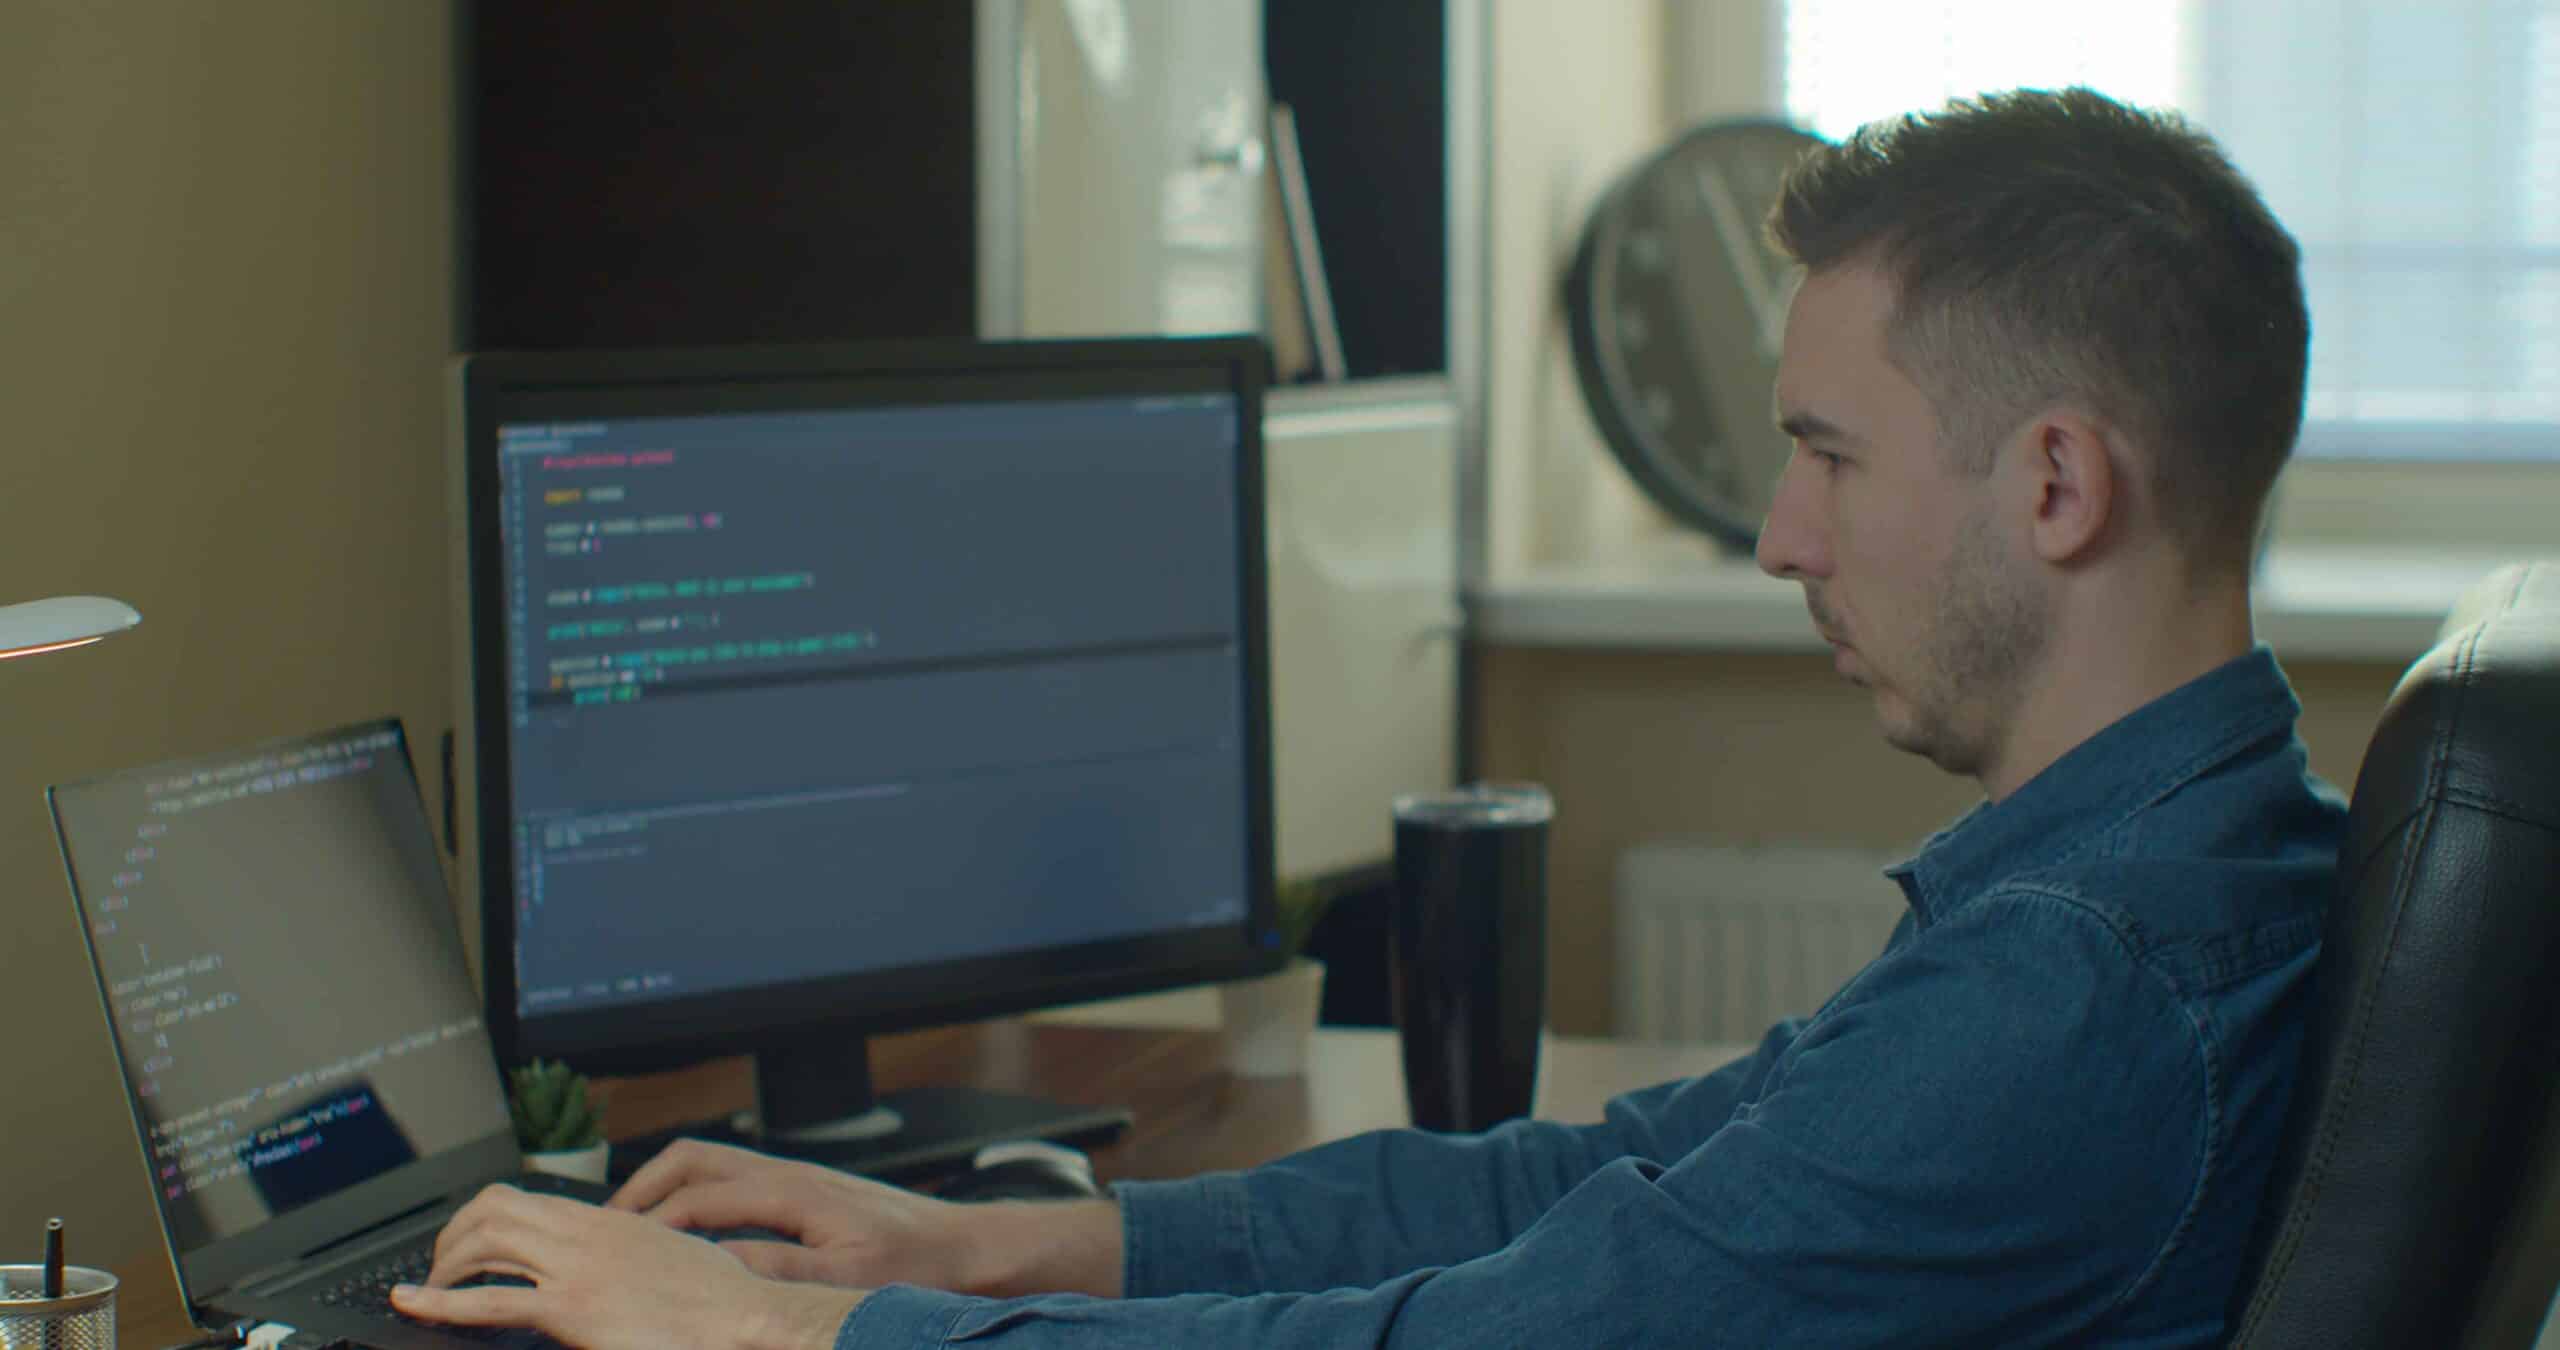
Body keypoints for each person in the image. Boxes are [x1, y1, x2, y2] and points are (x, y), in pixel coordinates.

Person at [392, 86, 2346, 1348]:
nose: (1773, 536)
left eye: (1825, 455)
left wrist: (782, 1336)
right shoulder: (2160, 874)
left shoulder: (2071, 996)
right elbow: (1587, 1185)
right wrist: (1001, 1248)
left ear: (2055, 488)